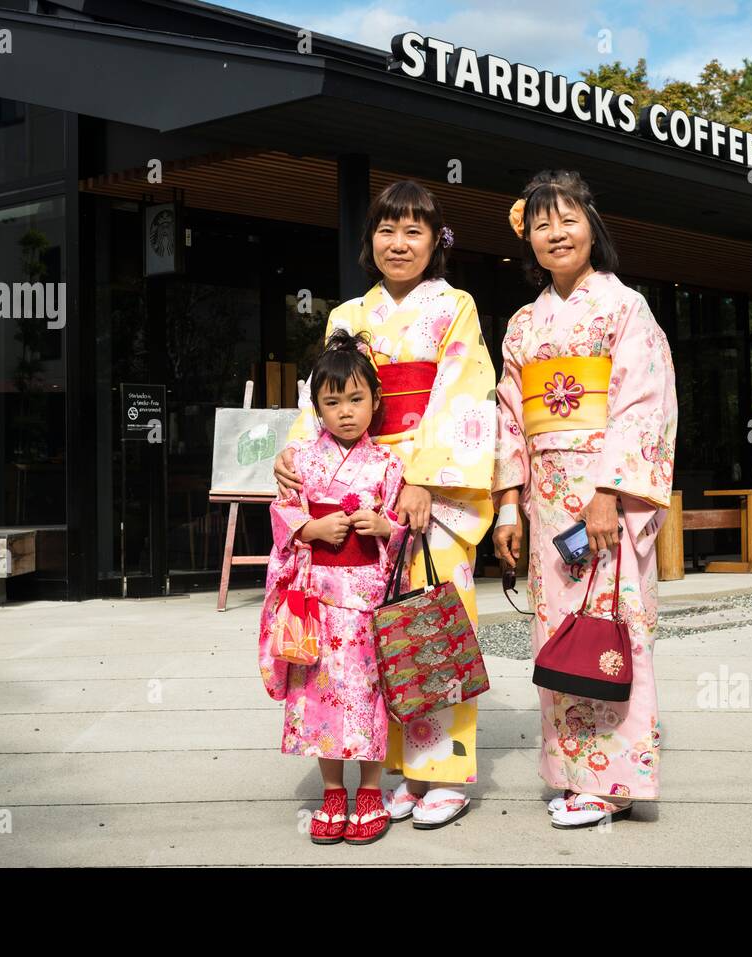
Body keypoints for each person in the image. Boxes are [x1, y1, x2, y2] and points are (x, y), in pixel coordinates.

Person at [275, 180, 495, 829]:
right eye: (387, 229)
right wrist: (294, 451)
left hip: (425, 488)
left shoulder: (455, 306)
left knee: (433, 619)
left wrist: (425, 476)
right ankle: (397, 767)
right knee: (377, 636)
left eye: (414, 230)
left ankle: (445, 770)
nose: (399, 243)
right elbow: (328, 392)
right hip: (360, 480)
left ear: (436, 241)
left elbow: (462, 390)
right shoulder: (348, 313)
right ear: (370, 240)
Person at [492, 169, 678, 829]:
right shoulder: (522, 323)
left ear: (592, 226)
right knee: (559, 632)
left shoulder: (626, 307)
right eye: (541, 224)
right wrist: (509, 501)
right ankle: (574, 772)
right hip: (546, 503)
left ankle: (617, 780)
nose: (555, 232)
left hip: (606, 497)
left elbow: (641, 404)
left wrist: (607, 490)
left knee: (613, 628)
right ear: (530, 243)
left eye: (566, 218)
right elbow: (511, 415)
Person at [258, 328, 410, 846]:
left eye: (356, 399)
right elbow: (283, 510)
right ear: (316, 408)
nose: (345, 411)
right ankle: (330, 791)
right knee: (319, 693)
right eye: (332, 402)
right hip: (317, 596)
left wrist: (387, 527)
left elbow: (401, 521)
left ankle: (369, 790)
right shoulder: (300, 459)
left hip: (367, 596)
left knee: (368, 694)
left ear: (375, 400)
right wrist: (309, 528)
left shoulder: (388, 464)